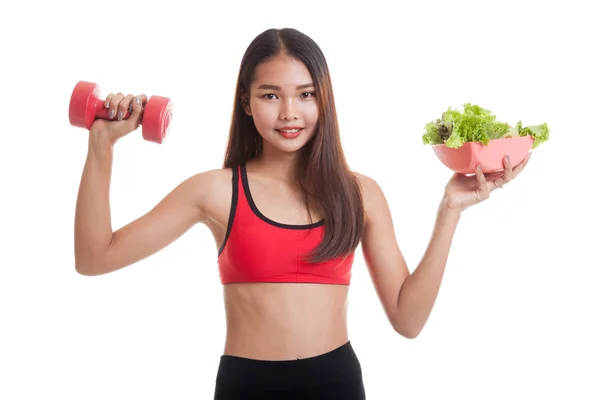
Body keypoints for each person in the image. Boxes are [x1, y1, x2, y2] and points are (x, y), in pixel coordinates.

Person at [74, 28, 531, 399]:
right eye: (270, 95)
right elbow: (94, 257)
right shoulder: (215, 191)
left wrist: (451, 208)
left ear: (323, 100)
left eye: (306, 94)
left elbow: (407, 320)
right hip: (246, 387)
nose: (290, 112)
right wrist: (101, 145)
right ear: (246, 102)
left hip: (336, 384)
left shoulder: (359, 194)